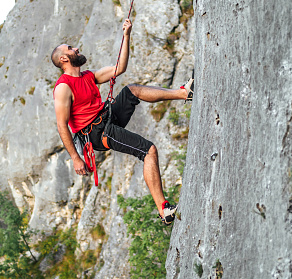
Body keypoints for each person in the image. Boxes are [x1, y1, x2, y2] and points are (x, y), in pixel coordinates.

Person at [51, 19, 193, 225]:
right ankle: (164, 210)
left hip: (106, 118)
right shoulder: (63, 87)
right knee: (148, 151)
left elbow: (119, 68)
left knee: (131, 90)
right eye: (72, 48)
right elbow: (61, 124)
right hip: (97, 133)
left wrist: (126, 35)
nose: (77, 48)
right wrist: (75, 158)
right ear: (64, 58)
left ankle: (184, 93)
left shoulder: (88, 76)